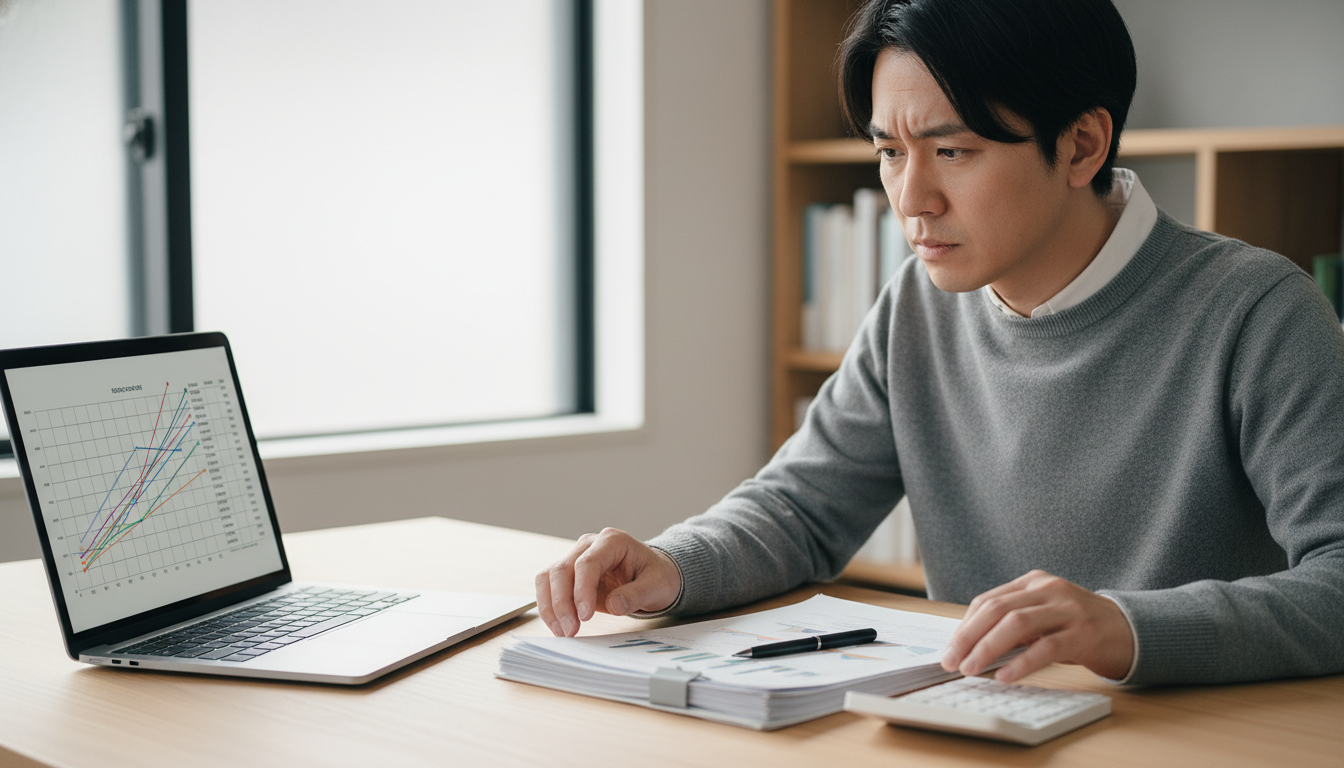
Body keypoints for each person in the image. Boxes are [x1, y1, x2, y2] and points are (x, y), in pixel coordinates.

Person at [536, 0, 1344, 686]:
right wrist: (673, 565)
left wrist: (1126, 628)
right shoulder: (917, 306)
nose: (910, 198)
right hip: (983, 727)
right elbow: (799, 508)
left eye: (952, 151)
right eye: (890, 152)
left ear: (1083, 145)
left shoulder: (1259, 313)